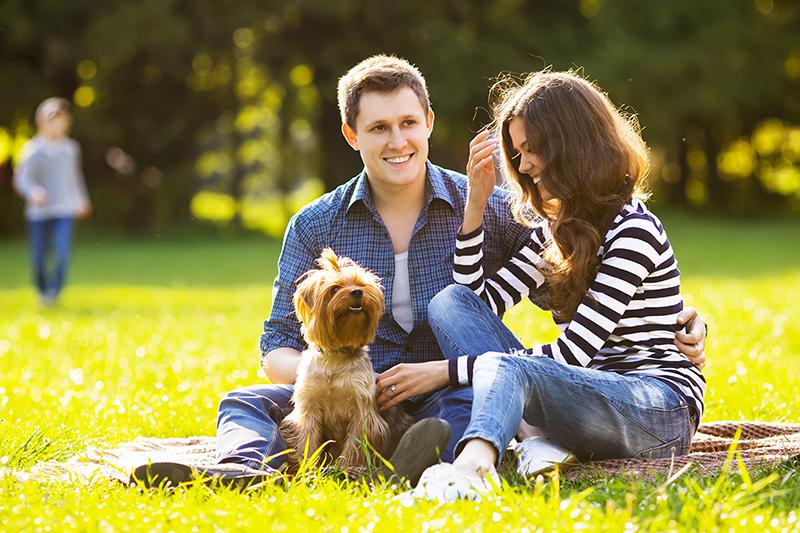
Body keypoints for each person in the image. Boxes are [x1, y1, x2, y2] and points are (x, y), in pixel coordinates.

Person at [137, 56, 708, 486]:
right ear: (351, 135)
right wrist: (337, 375)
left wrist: (680, 316)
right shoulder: (315, 225)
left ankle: (419, 460)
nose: (397, 140)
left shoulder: (497, 204)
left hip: (442, 388)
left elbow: (560, 294)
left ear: (429, 123)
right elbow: (275, 344)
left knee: (460, 397)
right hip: (343, 385)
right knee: (244, 400)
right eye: (379, 127)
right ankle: (242, 472)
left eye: (408, 122)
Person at [408, 70, 707, 502]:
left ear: (571, 145)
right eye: (518, 152)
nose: (524, 165)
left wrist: (443, 372)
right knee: (448, 302)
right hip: (589, 394)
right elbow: (475, 303)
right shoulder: (557, 232)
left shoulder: (634, 230)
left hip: (657, 407)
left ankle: (472, 468)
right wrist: (474, 208)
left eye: (531, 150)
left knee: (510, 366)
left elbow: (571, 354)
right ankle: (537, 439)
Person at [13, 97, 91, 306]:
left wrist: (81, 199)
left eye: (62, 122)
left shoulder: (70, 149)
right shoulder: (32, 150)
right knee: (39, 257)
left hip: (64, 209)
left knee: (61, 252)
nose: (58, 126)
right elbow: (21, 179)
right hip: (39, 213)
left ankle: (54, 292)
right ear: (41, 122)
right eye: (53, 121)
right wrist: (34, 192)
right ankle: (42, 289)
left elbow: (74, 177)